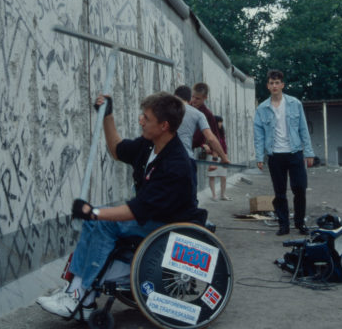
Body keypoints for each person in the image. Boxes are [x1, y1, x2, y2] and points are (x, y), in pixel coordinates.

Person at [38, 92, 207, 320]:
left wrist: (93, 212)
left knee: (103, 223)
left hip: (170, 225)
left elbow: (136, 210)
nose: (141, 121)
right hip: (151, 216)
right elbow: (117, 149)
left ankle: (81, 295)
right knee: (94, 221)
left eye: (146, 118)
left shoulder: (176, 165)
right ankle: (76, 291)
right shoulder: (150, 145)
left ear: (164, 125)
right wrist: (107, 116)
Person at [253, 69, 315, 236]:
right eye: (271, 83)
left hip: (294, 152)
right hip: (275, 155)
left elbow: (303, 128)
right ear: (268, 86)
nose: (274, 85)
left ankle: (300, 223)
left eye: (277, 82)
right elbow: (258, 135)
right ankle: (283, 224)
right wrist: (259, 156)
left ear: (282, 85)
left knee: (299, 188)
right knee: (279, 192)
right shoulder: (262, 109)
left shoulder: (295, 103)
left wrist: (309, 152)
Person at [174, 86, 230, 204]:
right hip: (181, 155)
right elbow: (211, 138)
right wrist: (223, 157)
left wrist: (217, 158)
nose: (194, 100)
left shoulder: (205, 114)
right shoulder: (184, 109)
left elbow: (213, 137)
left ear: (205, 98)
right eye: (193, 97)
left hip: (185, 152)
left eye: (197, 99)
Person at [208, 115, 230, 201]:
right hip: (212, 156)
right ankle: (214, 195)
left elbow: (224, 145)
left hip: (222, 156)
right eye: (219, 121)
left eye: (221, 122)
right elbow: (204, 143)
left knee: (223, 176)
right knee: (212, 176)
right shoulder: (210, 132)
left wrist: (225, 156)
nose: (221, 123)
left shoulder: (221, 133)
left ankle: (222, 195)